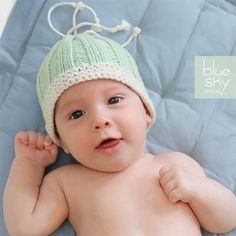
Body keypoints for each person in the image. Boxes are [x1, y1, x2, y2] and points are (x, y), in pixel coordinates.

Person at [3, 3, 236, 236]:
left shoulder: (174, 165)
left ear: (145, 112)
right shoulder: (66, 183)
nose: (100, 120)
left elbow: (225, 221)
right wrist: (28, 165)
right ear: (61, 140)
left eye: (114, 100)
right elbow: (25, 229)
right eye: (76, 114)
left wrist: (197, 190)